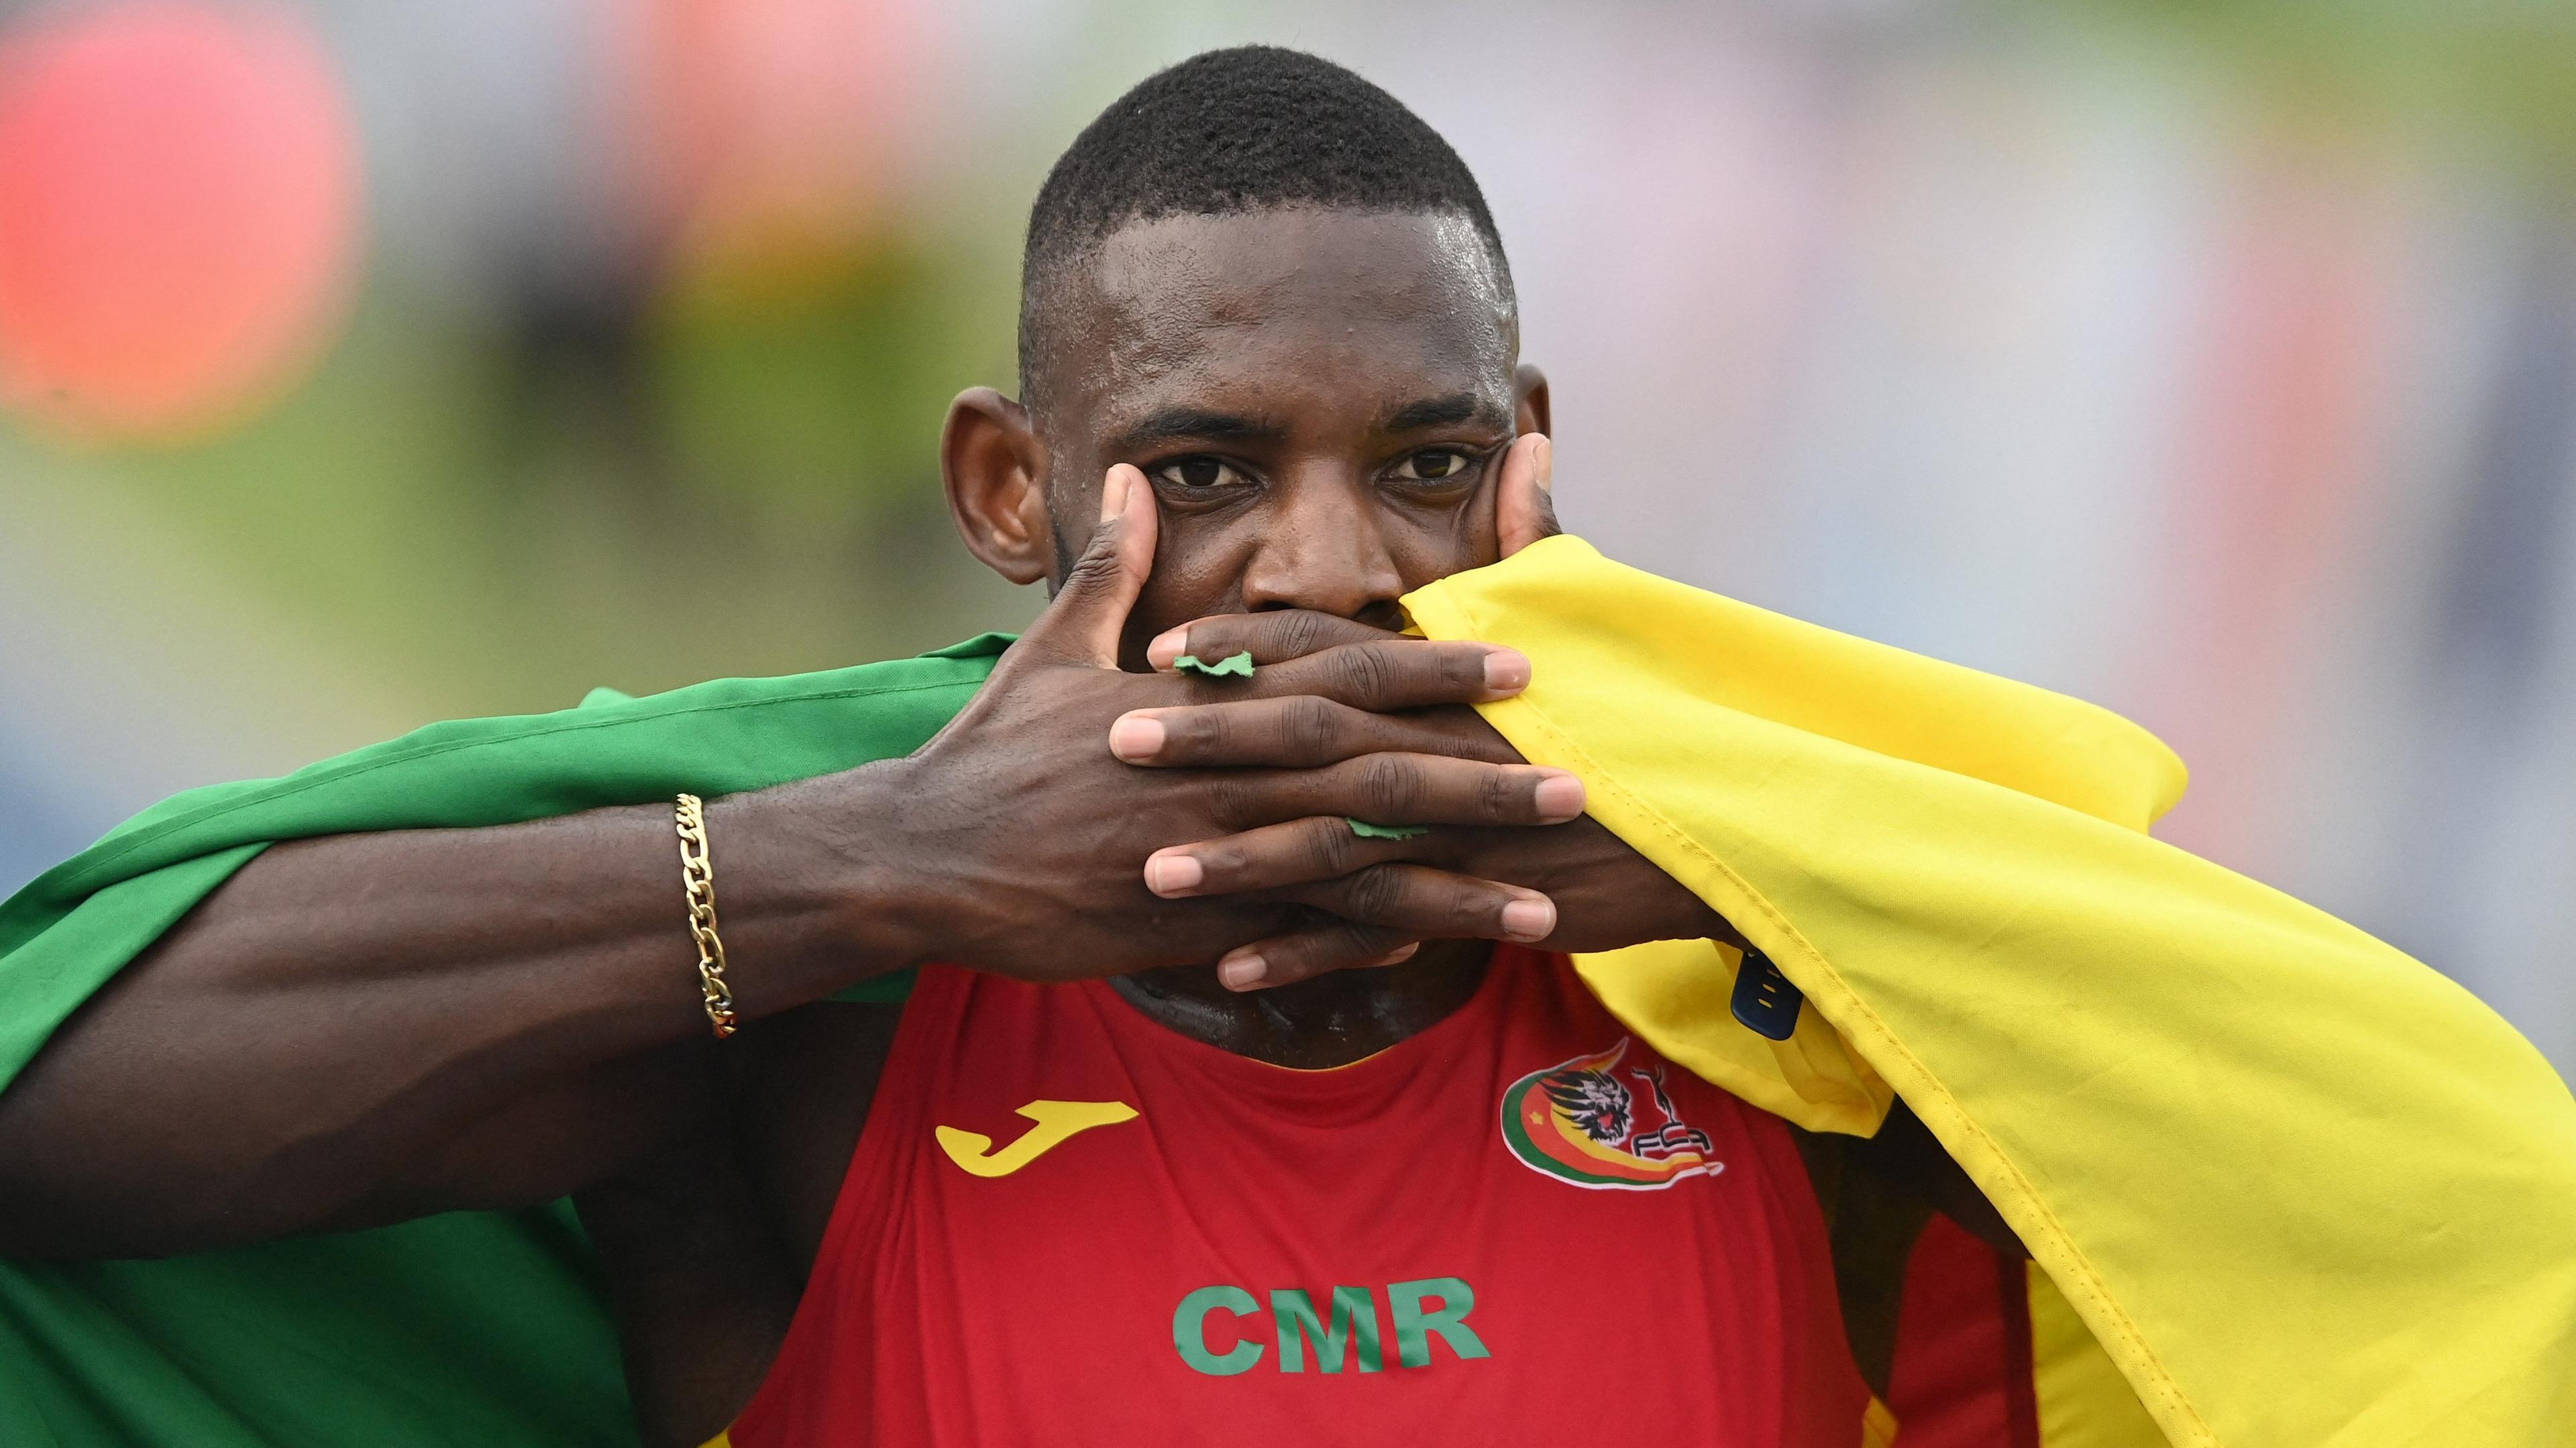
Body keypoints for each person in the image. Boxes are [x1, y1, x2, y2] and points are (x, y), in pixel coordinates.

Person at [2, 46, 2571, 1448]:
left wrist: (1765, 904)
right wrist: (878, 868)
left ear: (1534, 470)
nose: (1332, 569)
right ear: (1012, 494)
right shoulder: (819, 1024)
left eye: (1425, 468)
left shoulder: (1801, 1006)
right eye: (1205, 473)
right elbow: (51, 1135)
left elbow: (2434, 1209)